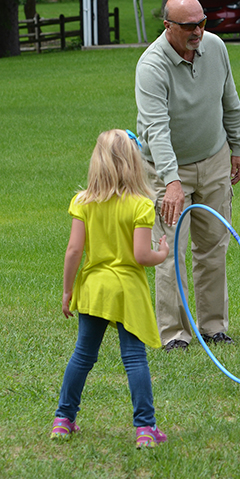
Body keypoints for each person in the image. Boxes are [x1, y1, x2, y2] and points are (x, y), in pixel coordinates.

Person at [135, 0, 240, 352]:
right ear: (168, 26)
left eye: (202, 22)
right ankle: (175, 334)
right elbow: (156, 129)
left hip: (214, 158)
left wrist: (238, 147)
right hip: (167, 168)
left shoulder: (215, 48)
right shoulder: (151, 66)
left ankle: (213, 326)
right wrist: (171, 181)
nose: (198, 30)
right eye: (189, 26)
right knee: (169, 251)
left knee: (214, 245)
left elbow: (230, 98)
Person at [51, 129, 169, 448]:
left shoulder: (83, 202)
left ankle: (63, 419)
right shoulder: (141, 205)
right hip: (127, 292)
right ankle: (145, 429)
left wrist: (67, 291)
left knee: (83, 355)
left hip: (94, 290)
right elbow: (141, 256)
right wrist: (163, 252)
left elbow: (74, 251)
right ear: (134, 163)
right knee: (134, 359)